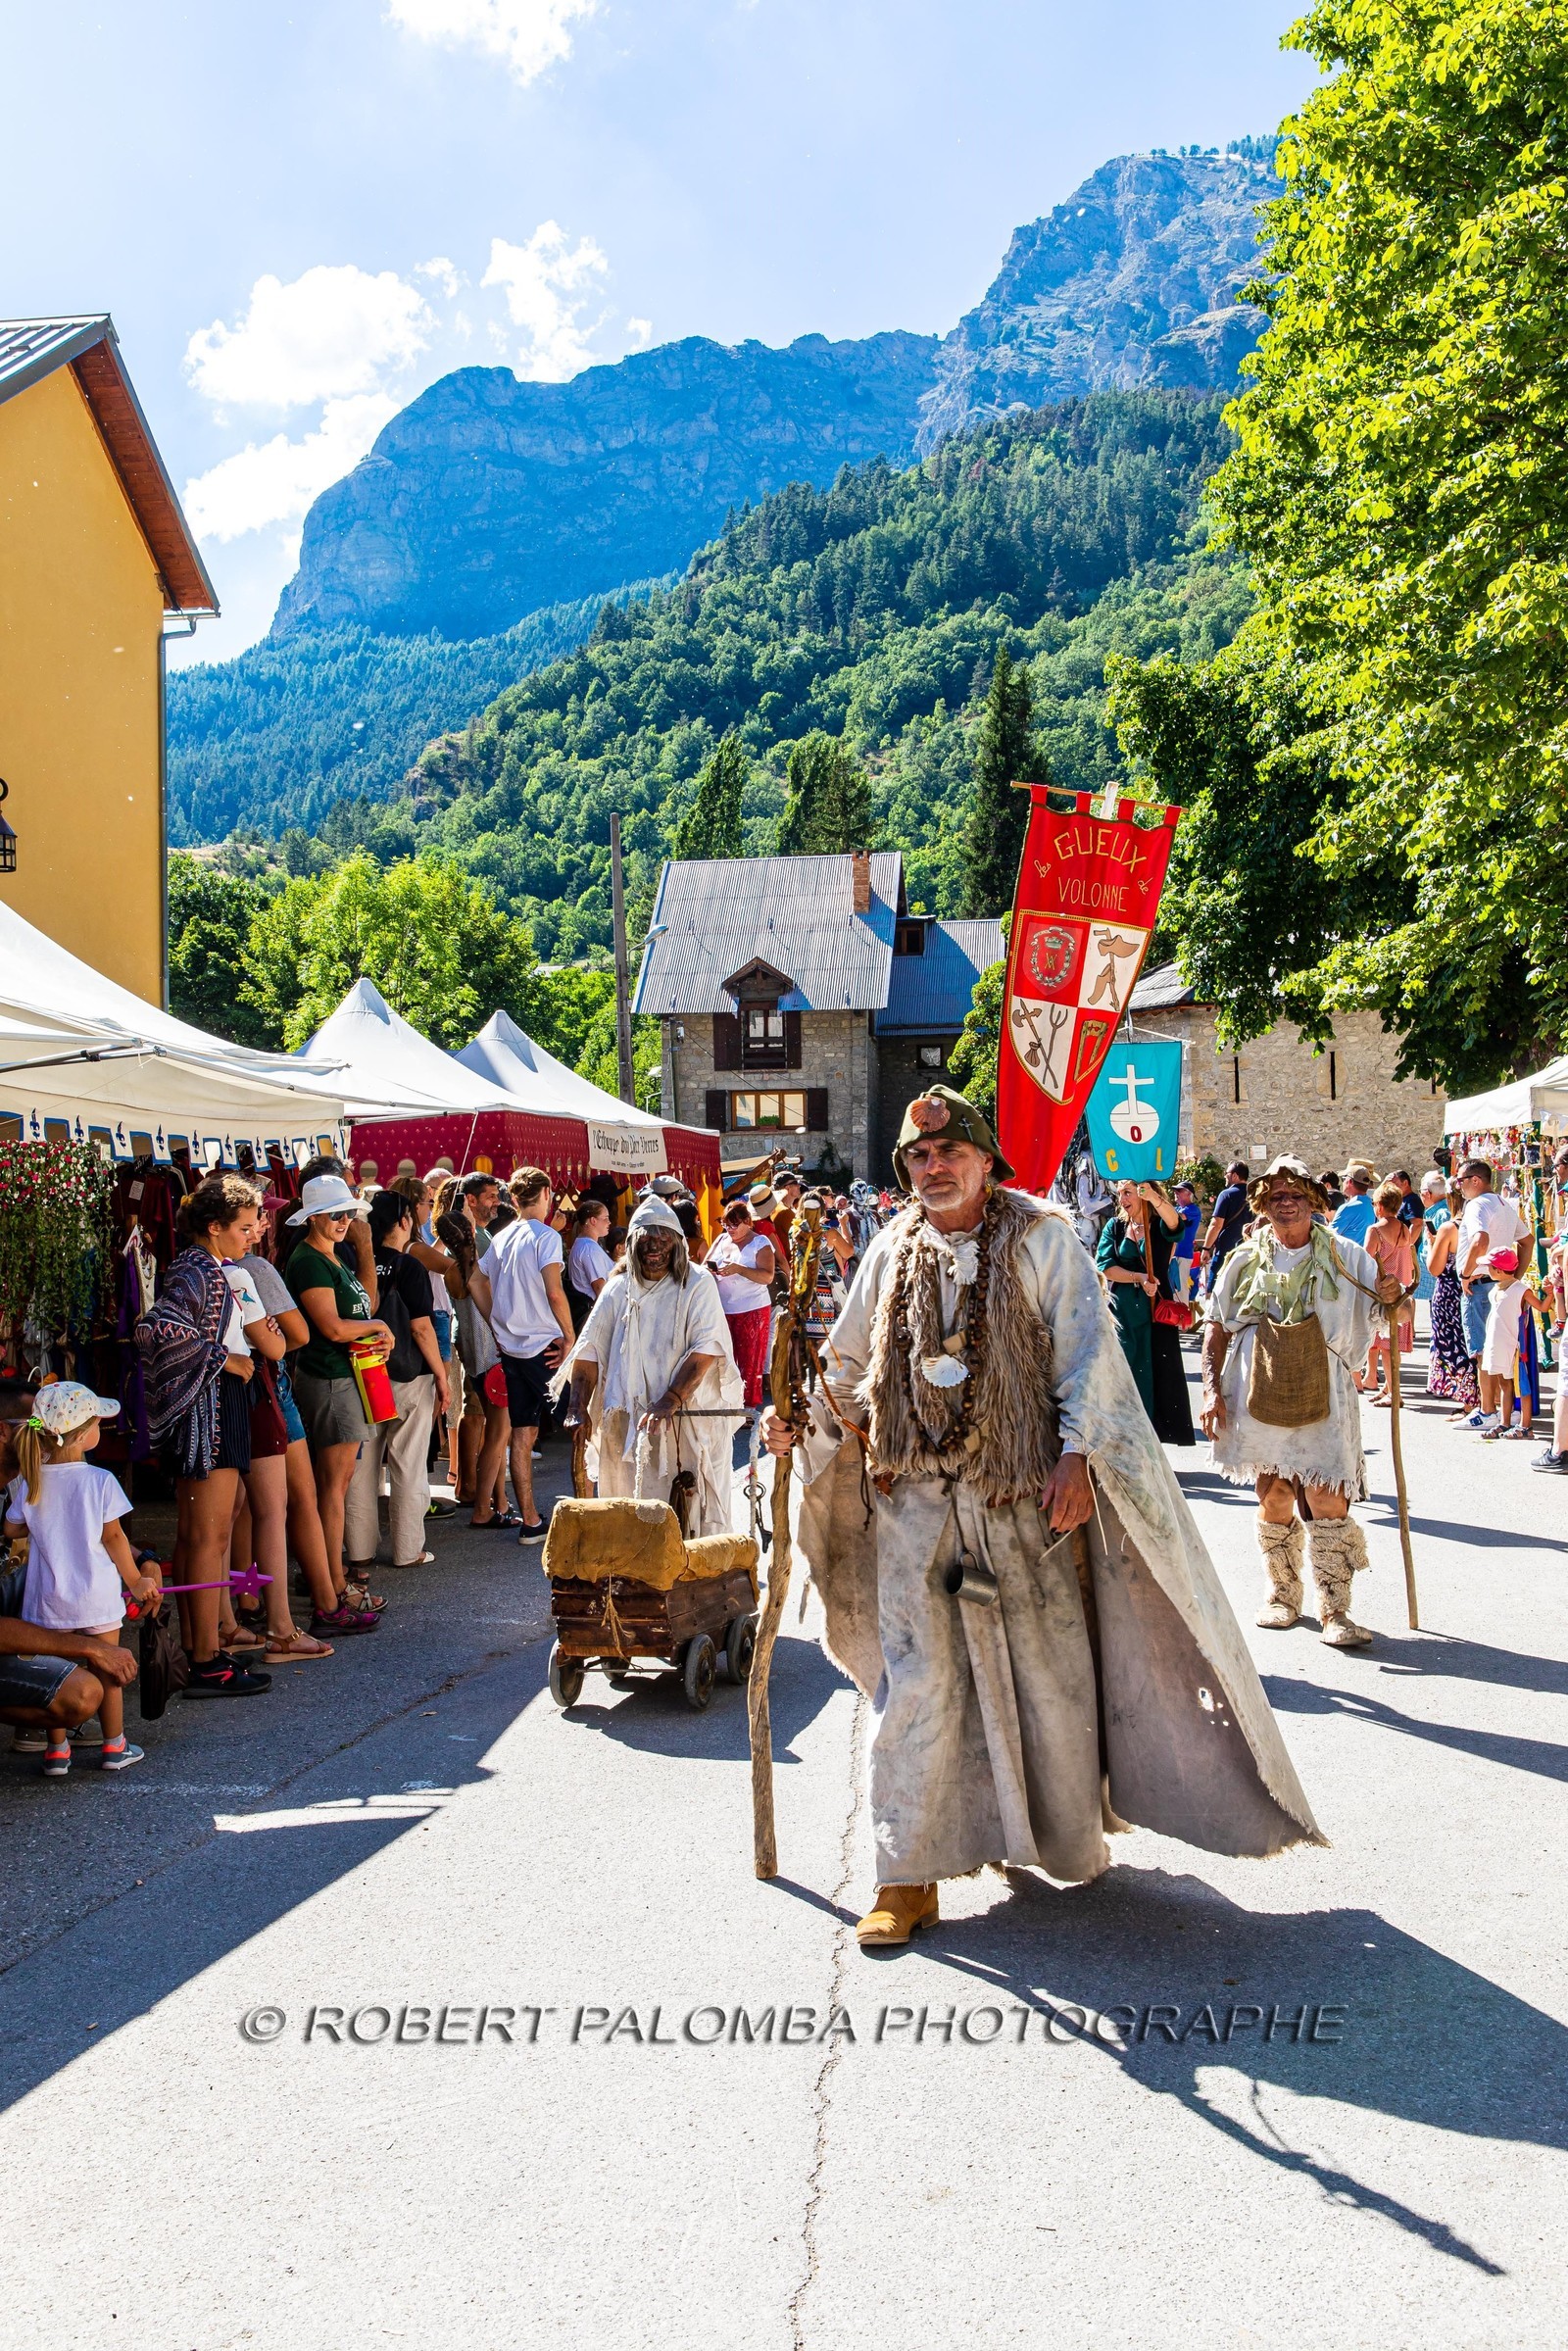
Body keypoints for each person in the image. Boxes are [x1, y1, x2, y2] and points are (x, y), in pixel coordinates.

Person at [763, 1086, 1322, 1952]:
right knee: (920, 1682)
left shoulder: (1043, 1238)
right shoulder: (888, 1249)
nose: (933, 1167)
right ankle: (904, 1871)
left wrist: (1074, 1455)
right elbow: (848, 1357)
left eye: (950, 1154)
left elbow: (1088, 1354)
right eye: (918, 1157)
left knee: (1048, 1673)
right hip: (916, 1508)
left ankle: (1055, 1834)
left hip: (1019, 1503)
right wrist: (803, 1418)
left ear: (988, 1161)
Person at [1201, 1156, 1401, 1649]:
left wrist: (1395, 1296)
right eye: (1275, 1197)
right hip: (1258, 1388)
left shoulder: (1347, 1256)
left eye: (1295, 1196)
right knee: (1274, 1494)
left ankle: (1335, 1607)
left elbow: (1387, 1307)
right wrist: (1210, 1389)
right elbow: (1216, 1324)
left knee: (1327, 1496)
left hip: (1326, 1389)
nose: (1286, 1204)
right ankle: (1282, 1594)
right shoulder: (1244, 1259)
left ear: (1313, 1202)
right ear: (1264, 1206)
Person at [136, 1173, 273, 1698]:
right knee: (206, 1535)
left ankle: (206, 1650)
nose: (252, 1233)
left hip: (217, 1407)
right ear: (214, 1228)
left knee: (209, 1532)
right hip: (206, 1413)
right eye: (243, 1226)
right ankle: (202, 1658)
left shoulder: (213, 1267)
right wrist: (222, 1358)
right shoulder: (197, 1270)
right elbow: (157, 1330)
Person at [558, 1197, 742, 1536]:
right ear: (631, 1244)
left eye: (663, 1237)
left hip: (686, 1423)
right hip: (628, 1425)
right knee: (629, 1518)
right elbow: (588, 1351)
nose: (654, 1246)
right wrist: (576, 1405)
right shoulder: (617, 1288)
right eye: (646, 1238)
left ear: (677, 1243)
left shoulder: (697, 1284)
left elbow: (706, 1349)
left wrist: (670, 1399)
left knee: (690, 1515)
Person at [4, 1384, 160, 1774]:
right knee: (110, 1672)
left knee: (57, 1671)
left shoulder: (29, 1482)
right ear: (83, 1435)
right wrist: (136, 1581)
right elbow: (114, 1538)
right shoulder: (100, 1481)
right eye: (98, 1426)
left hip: (46, 1601)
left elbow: (11, 1531)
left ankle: (57, 1752)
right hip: (95, 1598)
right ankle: (114, 1746)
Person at [283, 1174, 396, 1599]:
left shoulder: (332, 1255)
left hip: (346, 1378)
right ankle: (331, 1585)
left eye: (348, 1212)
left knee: (338, 1483)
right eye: (335, 1214)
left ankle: (334, 1578)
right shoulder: (310, 1259)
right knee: (332, 1488)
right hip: (330, 1378)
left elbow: (358, 1310)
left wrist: (373, 1331)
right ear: (312, 1218)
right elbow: (331, 1328)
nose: (345, 1219)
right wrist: (378, 1326)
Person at [467, 1167, 575, 1543]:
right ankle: (588, 1518)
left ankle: (530, 1520)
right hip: (543, 1346)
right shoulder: (545, 1237)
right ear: (545, 1194)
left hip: (513, 1347)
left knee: (523, 1433)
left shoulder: (502, 1237)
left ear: (514, 1200)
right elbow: (554, 1291)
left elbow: (475, 1281)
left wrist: (497, 1323)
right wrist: (571, 1337)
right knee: (581, 1427)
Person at [345, 1190, 448, 1573]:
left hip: (364, 1372)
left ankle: (359, 1550)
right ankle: (408, 1550)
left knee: (362, 1467)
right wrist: (442, 1376)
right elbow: (422, 1329)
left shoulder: (356, 1262)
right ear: (404, 1222)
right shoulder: (409, 1266)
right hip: (408, 1376)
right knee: (407, 1463)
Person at [1097, 1179, 1194, 1445]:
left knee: (1158, 1373)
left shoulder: (1159, 1224)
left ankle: (1152, 1438)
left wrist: (1154, 1198)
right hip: (1124, 1311)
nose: (1122, 1199)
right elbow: (1105, 1266)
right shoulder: (1115, 1227)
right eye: (1120, 1194)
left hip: (1156, 1314)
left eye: (1127, 1193)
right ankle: (1128, 1436)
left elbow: (1176, 1225)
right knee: (1127, 1370)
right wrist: (1139, 1277)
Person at [437, 1208, 515, 1528]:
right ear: (470, 1230)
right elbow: (496, 1314)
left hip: (472, 1357)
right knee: (498, 1437)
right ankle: (485, 1507)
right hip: (493, 1357)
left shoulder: (452, 1272)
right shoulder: (482, 1269)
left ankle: (500, 1501)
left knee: (494, 1434)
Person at [1454, 1158, 1531, 1421]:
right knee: (1496, 1349)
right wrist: (1513, 1279)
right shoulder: (1503, 1205)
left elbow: (1480, 1239)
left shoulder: (1477, 1205)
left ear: (1475, 1180)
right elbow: (1527, 1241)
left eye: (1461, 1180)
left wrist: (1465, 1274)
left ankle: (1487, 1410)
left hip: (1478, 1285)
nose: (1458, 1186)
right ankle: (1495, 1409)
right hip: (1497, 1285)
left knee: (1481, 1351)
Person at [706, 1198, 775, 1408]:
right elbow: (704, 1264)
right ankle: (728, 1402)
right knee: (727, 1357)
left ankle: (747, 1407)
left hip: (752, 1308)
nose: (729, 1229)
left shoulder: (760, 1243)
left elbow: (768, 1277)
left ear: (747, 1221)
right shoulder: (720, 1240)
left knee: (749, 1359)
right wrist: (710, 1270)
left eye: (734, 1224)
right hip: (724, 1307)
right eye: (726, 1224)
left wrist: (740, 1269)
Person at [1424, 1182, 1480, 1413]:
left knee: (1454, 1347)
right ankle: (1478, 1399)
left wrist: (1431, 1241)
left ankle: (1468, 1401)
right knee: (1473, 1345)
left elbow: (1435, 1268)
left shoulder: (1449, 1228)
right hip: (1472, 1289)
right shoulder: (1477, 1225)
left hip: (1448, 1294)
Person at [1363, 1181, 1417, 1403]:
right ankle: (1388, 1388)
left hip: (1383, 1294)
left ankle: (1395, 1392)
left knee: (1385, 1346)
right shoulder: (1405, 1229)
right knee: (1391, 1346)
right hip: (1403, 1294)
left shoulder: (1375, 1230)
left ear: (1380, 1206)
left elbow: (1365, 1261)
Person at [1477, 1249, 1530, 1439]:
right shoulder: (1497, 1288)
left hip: (1511, 1345)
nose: (1487, 1270)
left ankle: (1525, 1425)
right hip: (1496, 1343)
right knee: (1504, 1383)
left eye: (1489, 1267)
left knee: (1518, 1384)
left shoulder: (1519, 1289)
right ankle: (1504, 1422)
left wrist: (1550, 1292)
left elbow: (1540, 1306)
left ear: (1498, 1270)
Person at [1197, 1161, 1251, 1294]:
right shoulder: (1255, 1195)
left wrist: (1206, 1248)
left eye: (1227, 1173)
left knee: (1216, 1289)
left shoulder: (1226, 1194)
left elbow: (1216, 1225)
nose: (1225, 1177)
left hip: (1227, 1248)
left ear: (1235, 1176)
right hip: (1249, 1248)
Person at [565, 1199, 616, 1332]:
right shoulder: (589, 1248)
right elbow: (599, 1286)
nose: (609, 1222)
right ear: (593, 1220)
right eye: (605, 1218)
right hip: (595, 1312)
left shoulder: (583, 1244)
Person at [1170, 1179, 1201, 1304]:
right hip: (1173, 1255)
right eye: (1175, 1191)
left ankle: (1183, 1322)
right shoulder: (1178, 1208)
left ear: (1189, 1193)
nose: (1176, 1193)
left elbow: (1178, 1217)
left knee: (1181, 1291)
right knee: (1173, 1291)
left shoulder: (1193, 1209)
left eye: (1179, 1191)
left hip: (1183, 1256)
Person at [1330, 1164, 1377, 1247]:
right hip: (1366, 1257)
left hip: (1347, 1258)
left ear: (1350, 1182)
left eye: (1343, 1179)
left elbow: (1329, 1236)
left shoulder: (1348, 1208)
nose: (1343, 1182)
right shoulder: (1374, 1206)